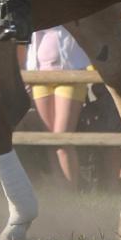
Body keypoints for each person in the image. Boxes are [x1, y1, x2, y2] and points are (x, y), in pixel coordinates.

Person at [26, 25, 89, 190]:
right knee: (50, 141)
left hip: (70, 73)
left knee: (62, 139)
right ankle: (61, 192)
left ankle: (71, 193)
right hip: (39, 75)